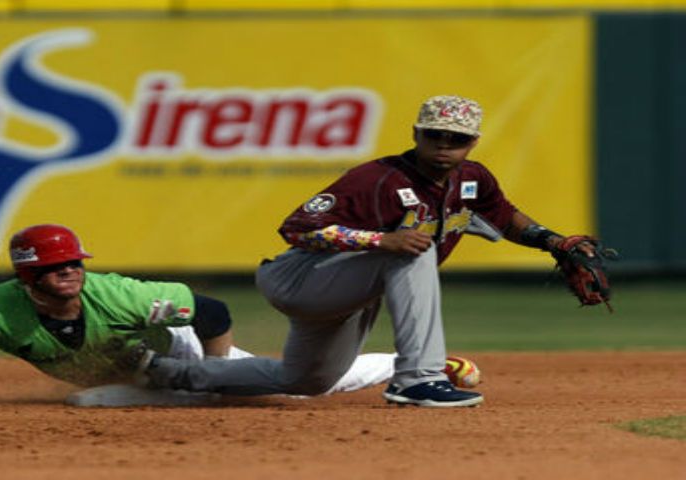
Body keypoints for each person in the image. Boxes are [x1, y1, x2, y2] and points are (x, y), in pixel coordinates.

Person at [143, 95, 591, 408]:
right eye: (434, 134)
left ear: (472, 141)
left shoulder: (472, 178)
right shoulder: (377, 178)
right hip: (301, 277)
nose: (443, 145)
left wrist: (552, 241)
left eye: (455, 138)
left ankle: (168, 373)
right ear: (416, 132)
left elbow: (504, 215)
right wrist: (380, 239)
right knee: (414, 248)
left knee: (306, 381)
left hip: (351, 291)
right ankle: (419, 380)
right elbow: (296, 227)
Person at [0, 224, 398, 407]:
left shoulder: (120, 294)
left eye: (75, 263)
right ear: (27, 278)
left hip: (182, 352)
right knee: (87, 399)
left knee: (301, 386)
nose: (71, 273)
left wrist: (222, 373)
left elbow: (213, 310)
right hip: (129, 376)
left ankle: (406, 362)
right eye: (57, 269)